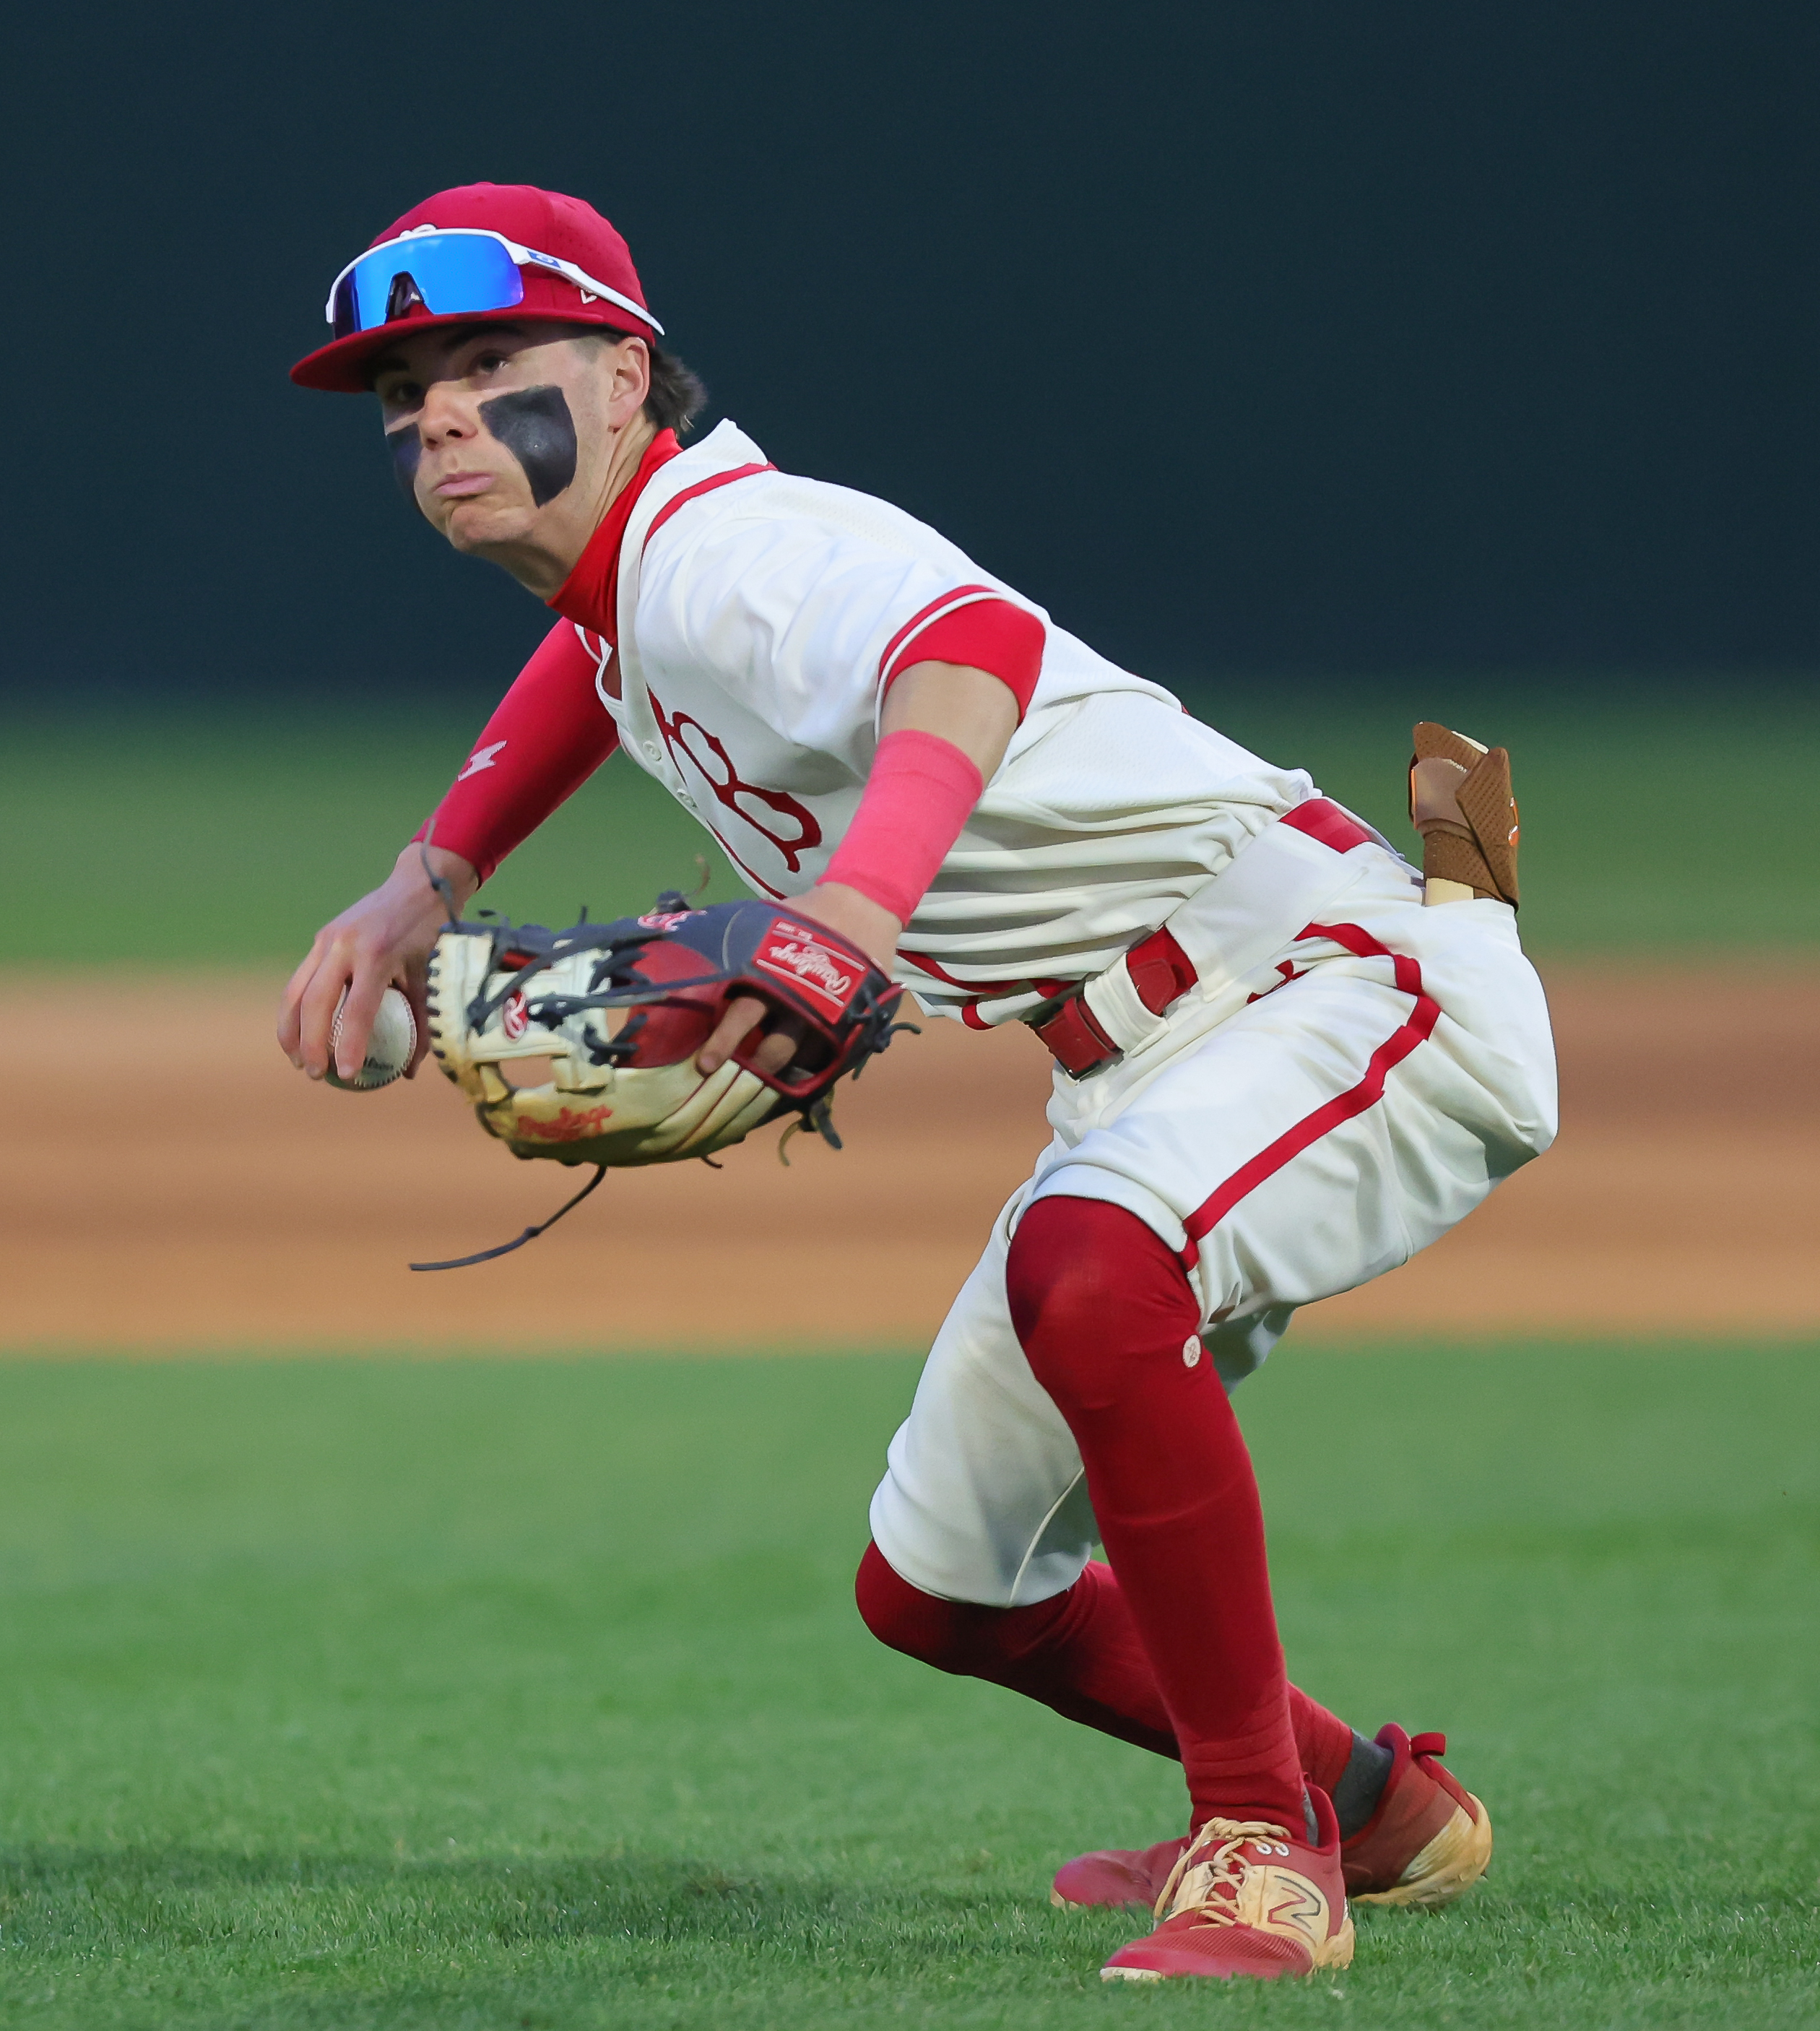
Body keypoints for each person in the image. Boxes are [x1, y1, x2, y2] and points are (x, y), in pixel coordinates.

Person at [274, 183, 1558, 1983]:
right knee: (942, 1592)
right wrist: (428, 875)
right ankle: (1366, 1804)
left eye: (493, 365)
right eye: (408, 394)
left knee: (1097, 1273)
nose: (437, 419)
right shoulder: (648, 579)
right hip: (1147, 1050)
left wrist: (849, 913)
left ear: (627, 378)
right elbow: (596, 664)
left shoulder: (747, 546)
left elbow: (973, 653)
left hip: (1343, 977)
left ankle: (1262, 1854)